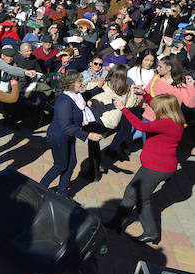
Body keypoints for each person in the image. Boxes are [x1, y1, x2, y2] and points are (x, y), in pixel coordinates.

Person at [102, 94, 185, 245]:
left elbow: (142, 126)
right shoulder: (175, 120)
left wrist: (123, 109)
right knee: (130, 192)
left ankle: (151, 233)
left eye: (157, 108)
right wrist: (144, 95)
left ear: (164, 109)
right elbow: (154, 107)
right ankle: (117, 223)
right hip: (154, 166)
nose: (154, 109)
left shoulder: (167, 124)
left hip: (156, 168)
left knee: (142, 199)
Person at [39, 70, 104, 197]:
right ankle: (39, 189)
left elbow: (87, 95)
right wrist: (88, 135)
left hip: (69, 136)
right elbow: (65, 127)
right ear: (70, 83)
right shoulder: (64, 101)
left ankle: (62, 193)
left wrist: (99, 86)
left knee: (71, 163)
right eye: (79, 81)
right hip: (58, 136)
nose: (82, 84)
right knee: (60, 165)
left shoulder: (76, 96)